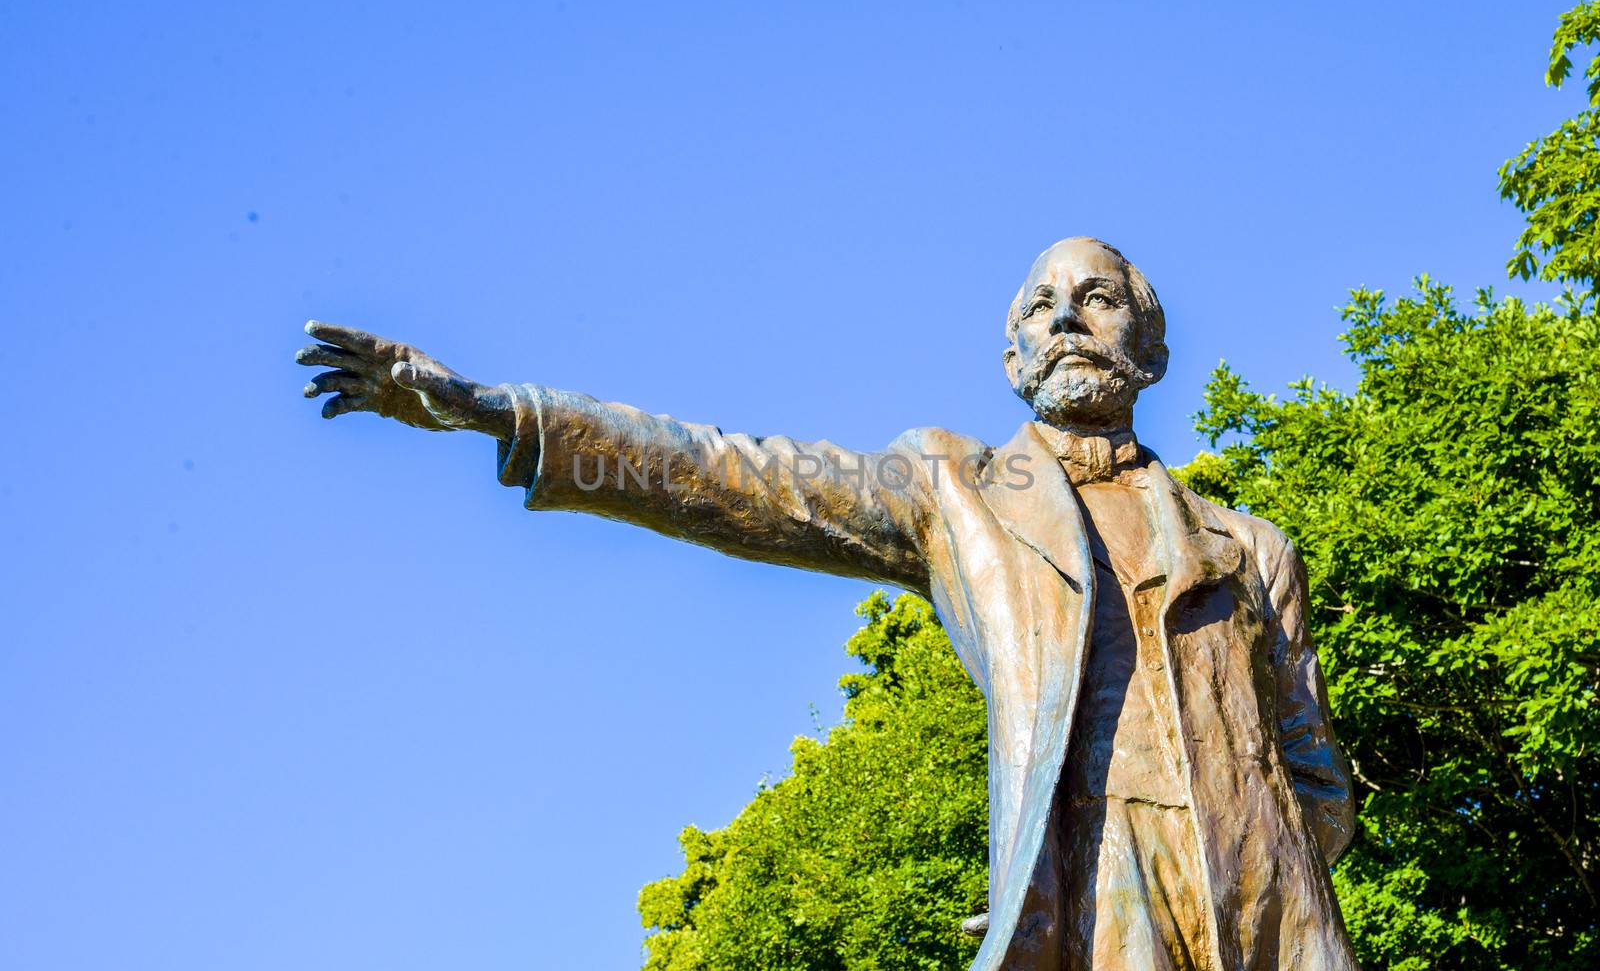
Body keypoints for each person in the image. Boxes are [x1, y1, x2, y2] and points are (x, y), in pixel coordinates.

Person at [297, 237, 1357, 970]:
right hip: (1089, 883)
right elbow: (738, 476)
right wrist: (505, 414)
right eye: (1043, 305)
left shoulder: (1252, 547)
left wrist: (1251, 850)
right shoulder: (959, 492)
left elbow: (1318, 781)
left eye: (1099, 297)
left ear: (1149, 346)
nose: (1069, 317)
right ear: (1012, 358)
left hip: (1263, 902)